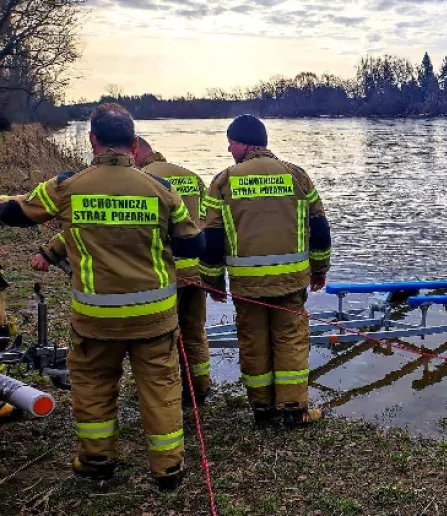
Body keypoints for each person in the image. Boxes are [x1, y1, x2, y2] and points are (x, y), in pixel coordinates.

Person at [0, 103, 204, 490]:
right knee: (161, 390)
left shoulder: (67, 186)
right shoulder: (161, 189)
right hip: (154, 317)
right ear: (133, 143)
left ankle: (97, 463)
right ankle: (168, 470)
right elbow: (195, 243)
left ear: (93, 141)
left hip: (96, 320)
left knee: (93, 389)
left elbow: (17, 213)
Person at [36, 138, 212, 405]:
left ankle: (169, 393)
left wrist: (49, 251)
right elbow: (202, 223)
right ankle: (198, 389)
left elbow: (105, 224)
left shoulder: (141, 179)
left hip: (161, 275)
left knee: (164, 340)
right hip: (194, 270)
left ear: (137, 151)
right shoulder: (192, 177)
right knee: (195, 332)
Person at [200, 114, 331, 427]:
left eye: (231, 143)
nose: (229, 149)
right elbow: (320, 228)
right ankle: (292, 411)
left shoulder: (223, 181)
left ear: (244, 143)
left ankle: (262, 410)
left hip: (247, 286)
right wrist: (320, 268)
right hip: (291, 281)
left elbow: (212, 238)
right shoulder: (297, 175)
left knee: (253, 343)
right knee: (291, 342)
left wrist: (213, 281)